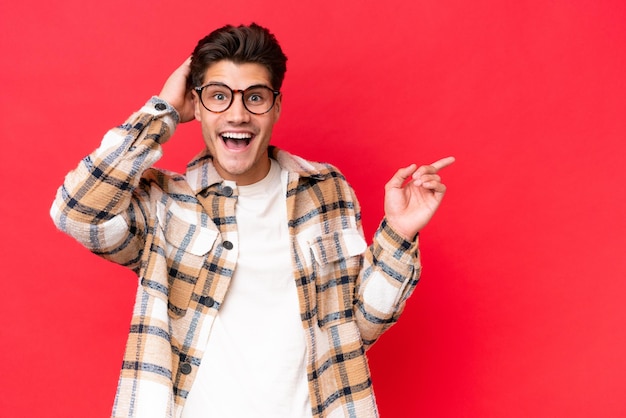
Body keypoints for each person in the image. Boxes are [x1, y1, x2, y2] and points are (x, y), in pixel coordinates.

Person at [50, 23, 454, 418]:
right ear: (199, 106)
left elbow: (356, 327)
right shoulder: (166, 204)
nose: (238, 114)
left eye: (255, 97)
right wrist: (164, 111)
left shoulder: (326, 189)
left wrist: (399, 233)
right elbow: (76, 212)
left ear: (276, 105)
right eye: (219, 96)